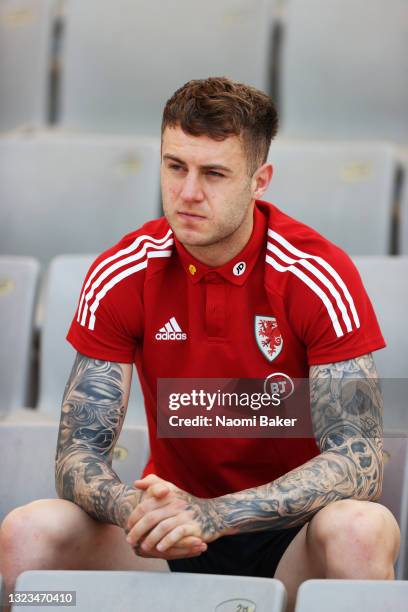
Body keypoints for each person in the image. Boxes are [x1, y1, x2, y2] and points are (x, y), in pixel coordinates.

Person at [0, 77, 400, 612]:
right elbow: (76, 454)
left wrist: (218, 514)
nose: (188, 193)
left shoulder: (316, 274)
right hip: (165, 540)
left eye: (214, 173)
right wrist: (134, 510)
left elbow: (361, 458)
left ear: (260, 181)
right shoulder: (123, 271)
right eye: (175, 167)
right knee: (29, 533)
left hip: (291, 539)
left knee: (362, 527)